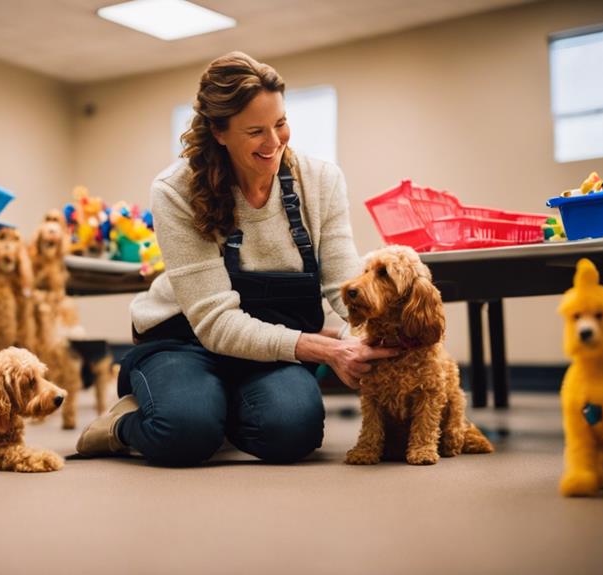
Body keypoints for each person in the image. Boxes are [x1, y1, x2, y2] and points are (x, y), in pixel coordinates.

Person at [76, 51, 397, 466]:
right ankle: (123, 426)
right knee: (184, 433)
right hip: (185, 339)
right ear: (219, 132)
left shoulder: (321, 180)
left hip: (275, 342)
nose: (275, 142)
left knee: (292, 432)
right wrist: (326, 349)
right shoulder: (175, 191)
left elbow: (342, 283)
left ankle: (213, 408)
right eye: (255, 131)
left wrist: (367, 337)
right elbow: (215, 324)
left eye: (280, 123)